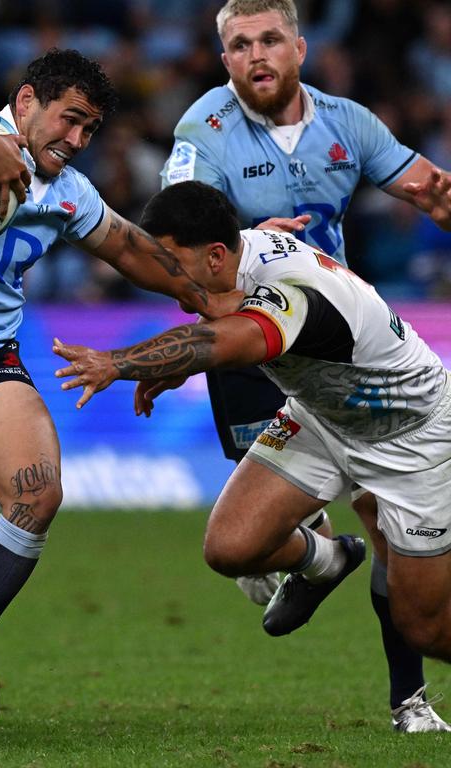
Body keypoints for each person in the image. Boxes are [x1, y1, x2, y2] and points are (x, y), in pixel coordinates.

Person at [0, 48, 237, 733]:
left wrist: (202, 295)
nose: (78, 140)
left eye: (90, 131)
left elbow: (127, 247)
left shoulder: (67, 191)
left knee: (37, 492)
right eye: (71, 120)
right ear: (27, 102)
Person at [159, 0, 451, 732]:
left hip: (336, 346)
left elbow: (423, 185)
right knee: (247, 550)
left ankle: (408, 699)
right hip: (246, 345)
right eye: (238, 45)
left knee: (385, 526)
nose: (256, 55)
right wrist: (248, 235)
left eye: (268, 39)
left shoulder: (346, 123)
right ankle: (321, 559)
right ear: (223, 58)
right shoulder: (204, 129)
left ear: (299, 46)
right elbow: (177, 217)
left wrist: (440, 200)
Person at [52, 181, 451, 713]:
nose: (164, 274)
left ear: (216, 256)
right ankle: (327, 561)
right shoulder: (239, 247)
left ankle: (409, 695)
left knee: (424, 627)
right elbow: (221, 305)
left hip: (410, 438)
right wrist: (170, 369)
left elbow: (223, 341)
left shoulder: (291, 292)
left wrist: (118, 362)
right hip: (323, 417)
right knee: (231, 548)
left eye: (171, 261)